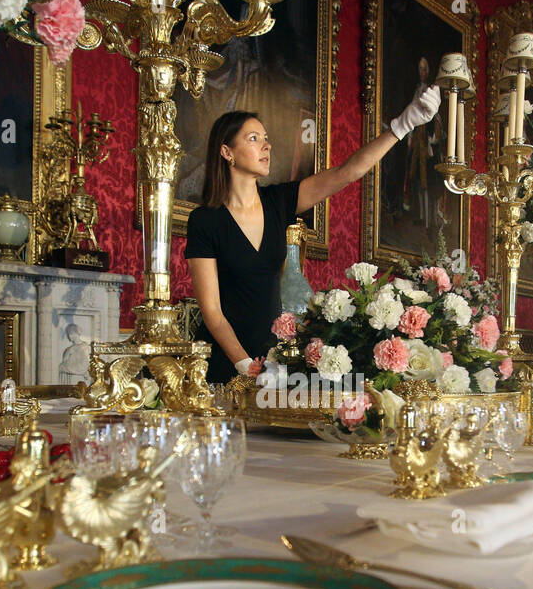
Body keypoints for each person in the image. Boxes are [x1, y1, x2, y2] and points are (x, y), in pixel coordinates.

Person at [186, 88, 442, 384]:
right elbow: (213, 313)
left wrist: (402, 125)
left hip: (270, 360)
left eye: (266, 138)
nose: (266, 146)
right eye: (253, 138)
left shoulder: (278, 202)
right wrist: (245, 365)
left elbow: (348, 172)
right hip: (224, 363)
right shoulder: (205, 220)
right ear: (226, 151)